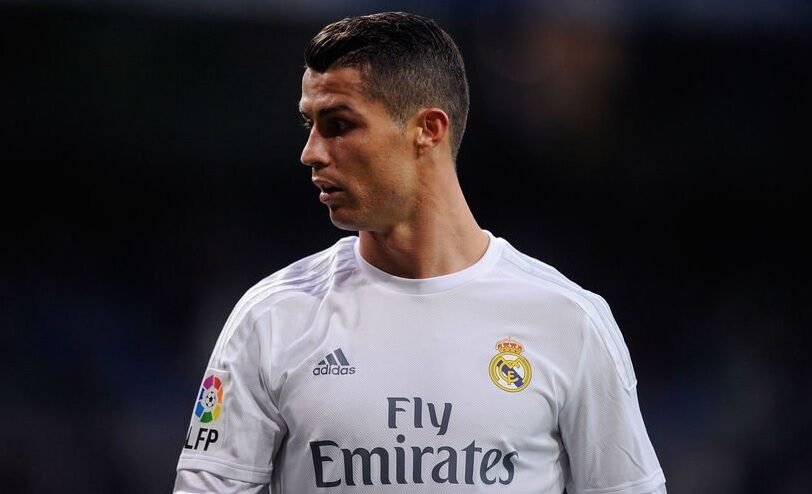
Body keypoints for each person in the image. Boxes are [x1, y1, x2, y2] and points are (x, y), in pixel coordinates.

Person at [174, 12, 666, 494]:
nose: (312, 152)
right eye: (310, 124)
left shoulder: (568, 320)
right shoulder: (272, 318)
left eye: (338, 125)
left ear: (429, 129)